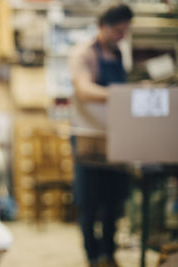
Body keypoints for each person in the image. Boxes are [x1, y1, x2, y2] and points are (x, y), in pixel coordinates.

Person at [69, 4, 134, 267]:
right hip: (89, 138)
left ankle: (109, 253)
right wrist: (125, 95)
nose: (122, 35)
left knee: (114, 202)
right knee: (90, 203)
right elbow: (84, 90)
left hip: (116, 136)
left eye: (126, 30)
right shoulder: (84, 53)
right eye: (118, 30)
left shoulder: (119, 53)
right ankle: (93, 257)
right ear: (103, 27)